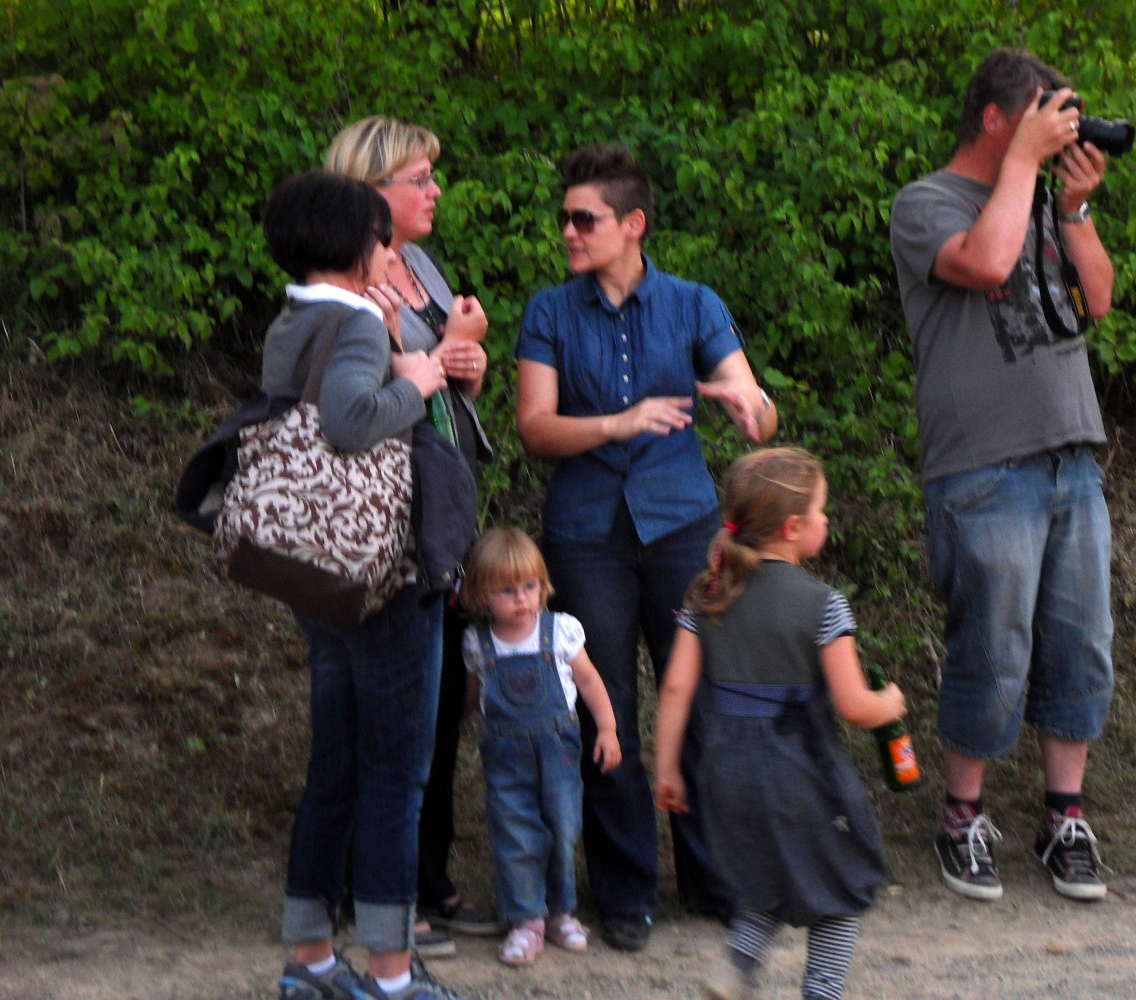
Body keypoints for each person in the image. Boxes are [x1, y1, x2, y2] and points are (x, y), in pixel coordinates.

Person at [515, 143, 779, 951]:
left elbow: (757, 408)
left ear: (632, 224)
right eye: (565, 217)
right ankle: (626, 891)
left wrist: (749, 406)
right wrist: (617, 424)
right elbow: (535, 428)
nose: (568, 231)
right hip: (586, 533)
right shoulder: (549, 312)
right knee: (607, 714)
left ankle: (714, 878)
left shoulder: (694, 303)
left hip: (681, 526)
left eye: (584, 218)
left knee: (699, 699)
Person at [888, 48, 1117, 904]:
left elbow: (1096, 301)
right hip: (983, 463)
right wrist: (1023, 165)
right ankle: (963, 817)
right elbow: (986, 263)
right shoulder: (925, 203)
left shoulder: (1044, 199)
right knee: (991, 646)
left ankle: (1065, 817)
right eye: (1038, 115)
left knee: (1080, 643)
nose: (1057, 130)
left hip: (1071, 453)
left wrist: (1076, 208)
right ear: (994, 118)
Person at [261, 170, 469, 1000]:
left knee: (335, 769)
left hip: (315, 567)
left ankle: (311, 960)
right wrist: (418, 378)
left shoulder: (291, 320)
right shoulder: (352, 323)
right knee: (393, 776)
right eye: (383, 242)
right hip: (381, 574)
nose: (393, 254)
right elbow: (349, 422)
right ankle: (390, 972)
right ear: (357, 249)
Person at [324, 116, 504, 947]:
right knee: (383, 717)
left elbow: (443, 381)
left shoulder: (421, 266)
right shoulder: (348, 277)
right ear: (372, 190)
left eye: (434, 175)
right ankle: (374, 895)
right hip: (382, 518)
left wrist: (470, 363)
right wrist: (447, 348)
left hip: (441, 510)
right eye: (419, 178)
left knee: (437, 707)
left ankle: (427, 882)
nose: (435, 191)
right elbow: (369, 396)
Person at [655, 447, 906, 1000]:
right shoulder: (824, 604)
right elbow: (854, 706)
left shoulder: (707, 595)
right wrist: (890, 704)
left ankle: (735, 968)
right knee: (840, 887)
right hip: (799, 771)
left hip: (725, 772)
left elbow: (674, 688)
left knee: (765, 879)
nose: (826, 520)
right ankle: (822, 990)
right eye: (821, 511)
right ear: (793, 528)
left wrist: (668, 768)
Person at [458, 527, 623, 967]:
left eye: (529, 586)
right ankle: (526, 919)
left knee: (563, 828)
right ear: (480, 594)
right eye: (507, 590)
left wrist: (607, 729)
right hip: (505, 758)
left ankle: (560, 912)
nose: (521, 599)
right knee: (515, 834)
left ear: (542, 585)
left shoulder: (560, 631)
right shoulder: (477, 642)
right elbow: (473, 696)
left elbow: (589, 681)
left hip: (559, 754)